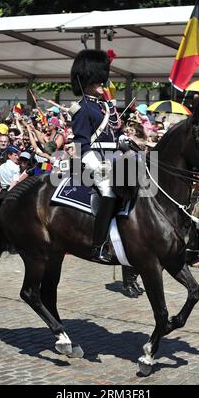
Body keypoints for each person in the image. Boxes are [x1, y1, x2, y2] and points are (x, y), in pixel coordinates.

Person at [70, 49, 121, 263]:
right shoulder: (81, 108)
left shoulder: (102, 106)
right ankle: (98, 246)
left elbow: (112, 133)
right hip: (94, 162)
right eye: (99, 80)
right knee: (109, 192)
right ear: (88, 80)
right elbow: (81, 142)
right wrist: (97, 166)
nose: (103, 84)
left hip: (113, 159)